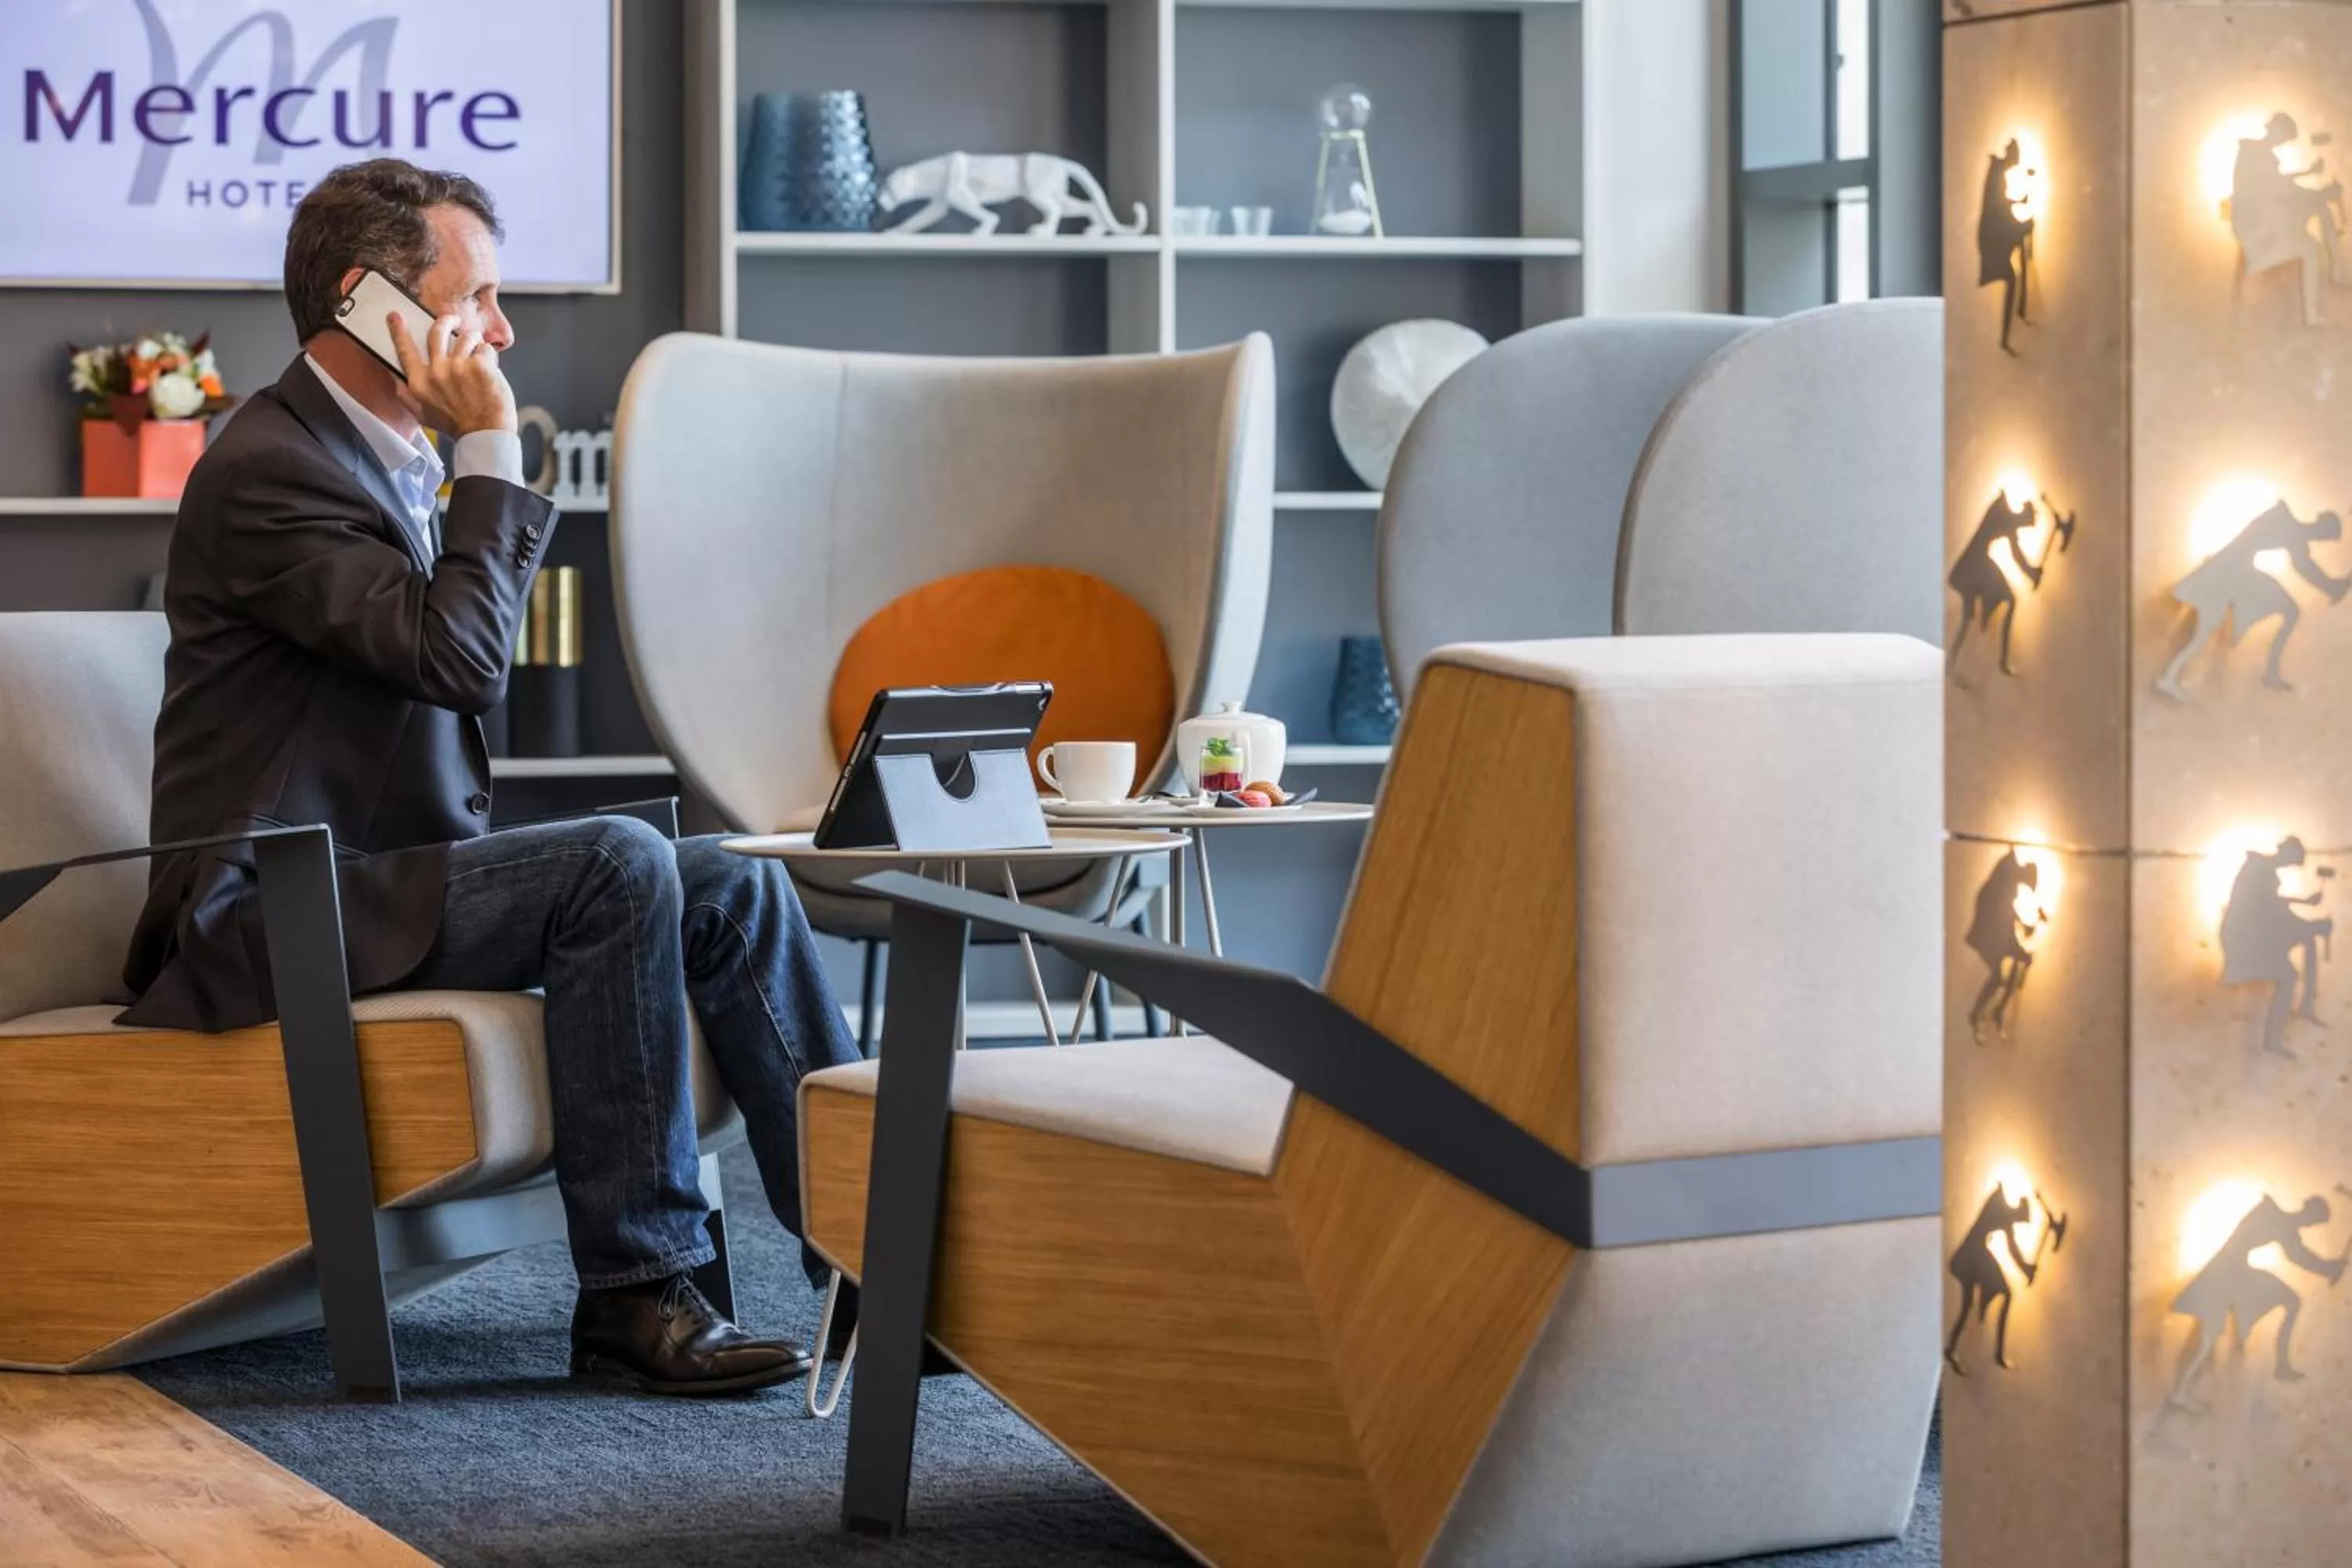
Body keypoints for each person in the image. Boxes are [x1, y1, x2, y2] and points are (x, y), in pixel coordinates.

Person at [118, 159, 860, 1396]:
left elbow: (460, 655)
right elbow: (458, 661)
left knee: (728, 880)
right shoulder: (269, 470)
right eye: (481, 302)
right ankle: (637, 1296)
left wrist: (471, 461)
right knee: (617, 860)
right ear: (371, 307)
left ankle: (880, 1259)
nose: (503, 335)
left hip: (378, 879)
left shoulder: (389, 460)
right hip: (272, 904)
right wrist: (489, 447)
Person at [2154, 500, 2350, 701]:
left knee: (2209, 628)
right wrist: (2334, 587)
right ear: (2320, 528)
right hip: (2233, 573)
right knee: (2209, 628)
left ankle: (2172, 676)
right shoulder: (2287, 524)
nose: (2319, 540)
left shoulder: (2292, 530)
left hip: (2237, 573)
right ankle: (2173, 676)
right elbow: (2305, 568)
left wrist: (2333, 587)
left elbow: (2306, 567)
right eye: (2324, 536)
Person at [2166, 1193, 2343, 1411]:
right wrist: (2330, 1268)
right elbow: (2298, 1255)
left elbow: (2297, 1253)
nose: (2309, 1225)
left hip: (2236, 1273)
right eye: (2312, 1221)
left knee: (2290, 1301)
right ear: (2308, 1212)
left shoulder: (2279, 1221)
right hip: (2227, 1274)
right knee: (2207, 1337)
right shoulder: (2274, 1217)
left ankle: (2280, 1365)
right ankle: (2180, 1392)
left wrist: (2330, 1268)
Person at [2229, 113, 2347, 327]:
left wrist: (2309, 176)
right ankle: (2317, 305)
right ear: (2277, 131)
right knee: (2311, 246)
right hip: (2260, 226)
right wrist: (2320, 192)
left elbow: (2278, 184)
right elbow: (2278, 189)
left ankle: (2334, 273)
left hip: (2265, 219)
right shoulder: (2255, 153)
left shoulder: (2257, 153)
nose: (2283, 142)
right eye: (2284, 137)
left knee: (2317, 217)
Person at [2219, 837, 2333, 1059]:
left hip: (2251, 934)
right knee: (2288, 976)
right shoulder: (2260, 870)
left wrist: (2304, 905)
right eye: (2292, 861)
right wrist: (2309, 923)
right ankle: (2273, 1039)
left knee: (2307, 941)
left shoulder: (2263, 870)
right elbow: (2271, 911)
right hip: (2244, 940)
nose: (2291, 866)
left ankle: (2306, 1006)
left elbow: (2271, 905)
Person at [1949, 491, 2066, 677]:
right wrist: (2032, 573)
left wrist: (2032, 573)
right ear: (2024, 516)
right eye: (2029, 523)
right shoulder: (2003, 514)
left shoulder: (2005, 516)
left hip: (1969, 569)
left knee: (1967, 619)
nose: (2026, 527)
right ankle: (2000, 663)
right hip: (1975, 567)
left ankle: (1952, 663)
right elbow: (2016, 555)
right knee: (2010, 600)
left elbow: (2016, 554)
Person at [1944, 1184, 2042, 1374]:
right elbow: (2012, 1248)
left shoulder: (2001, 1205)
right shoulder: (2002, 1210)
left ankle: (1951, 1349)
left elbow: (2012, 1247)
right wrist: (2026, 1269)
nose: (2020, 1223)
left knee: (1967, 1306)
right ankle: (1997, 1353)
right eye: (2022, 1220)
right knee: (2006, 1293)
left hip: (1967, 1257)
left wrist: (2026, 1268)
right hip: (1972, 1256)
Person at [1965, 849, 2042, 1042]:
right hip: (1989, 932)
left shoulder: (2009, 876)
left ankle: (1993, 1010)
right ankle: (1986, 1012)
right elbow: (2003, 909)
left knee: (2013, 965)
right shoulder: (2006, 874)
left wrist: (2025, 924)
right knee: (2005, 971)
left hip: (1996, 931)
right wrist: (2024, 925)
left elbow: (2008, 908)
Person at [1976, 138, 2035, 354]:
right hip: (1994, 236)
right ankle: (2006, 335)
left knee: (2021, 244)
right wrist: (2018, 212)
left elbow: (1999, 202)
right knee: (2011, 277)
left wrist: (2018, 202)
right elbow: (1996, 206)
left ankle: (2022, 310)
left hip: (1998, 231)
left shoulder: (1998, 171)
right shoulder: (1997, 171)